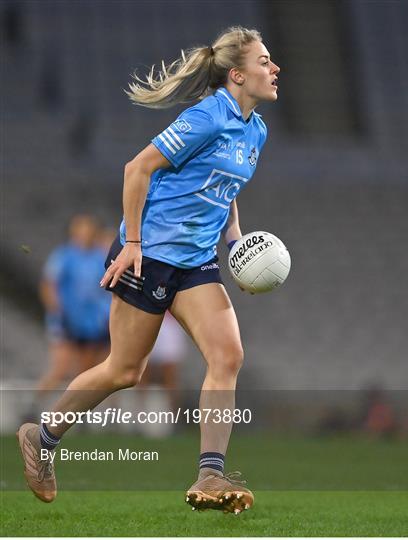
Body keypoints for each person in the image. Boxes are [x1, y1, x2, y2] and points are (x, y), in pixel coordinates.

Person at [17, 26, 280, 514]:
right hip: (150, 253)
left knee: (228, 356)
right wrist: (132, 243)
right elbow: (136, 169)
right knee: (125, 370)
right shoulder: (207, 116)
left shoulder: (255, 129)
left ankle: (210, 475)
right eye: (265, 61)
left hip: (196, 261)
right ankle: (42, 434)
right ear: (237, 74)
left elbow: (228, 186)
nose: (275, 68)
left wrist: (237, 241)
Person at [35, 215, 111, 396]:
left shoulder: (98, 257)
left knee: (85, 371)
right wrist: (58, 312)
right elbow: (48, 285)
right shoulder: (64, 255)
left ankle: (78, 415)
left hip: (90, 322)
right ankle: (33, 405)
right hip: (66, 319)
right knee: (61, 367)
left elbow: (105, 289)